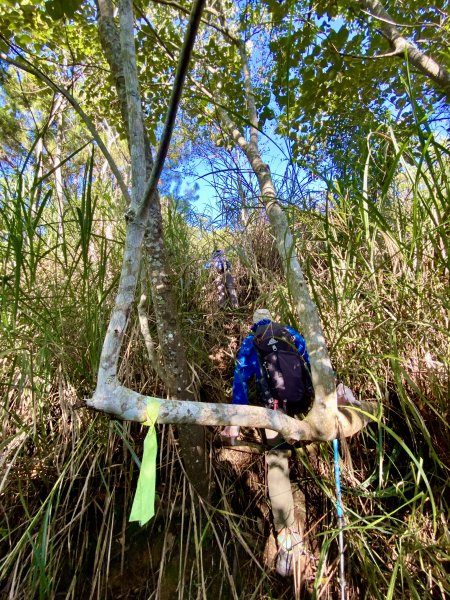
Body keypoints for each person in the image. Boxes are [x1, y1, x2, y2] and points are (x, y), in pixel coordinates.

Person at [222, 308, 311, 577]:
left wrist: (235, 421)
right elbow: (308, 361)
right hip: (301, 404)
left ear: (253, 323)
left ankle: (287, 542)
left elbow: (240, 377)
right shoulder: (289, 333)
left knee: (277, 461)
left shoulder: (252, 340)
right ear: (272, 318)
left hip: (273, 410)